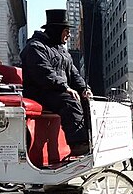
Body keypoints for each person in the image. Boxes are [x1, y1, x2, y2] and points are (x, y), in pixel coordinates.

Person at [20, 9, 92, 156]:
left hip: (57, 92)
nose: (69, 35)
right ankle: (78, 144)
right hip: (40, 92)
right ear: (56, 30)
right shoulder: (35, 47)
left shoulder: (62, 51)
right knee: (69, 101)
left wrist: (84, 89)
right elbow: (43, 73)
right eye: (66, 31)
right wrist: (65, 87)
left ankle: (90, 139)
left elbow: (74, 73)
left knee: (87, 101)